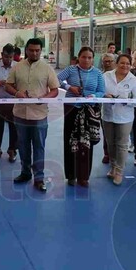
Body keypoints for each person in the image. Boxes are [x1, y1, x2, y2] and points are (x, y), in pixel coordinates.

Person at [6, 38, 60, 192]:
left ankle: (39, 178)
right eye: (31, 50)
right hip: (20, 114)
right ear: (26, 50)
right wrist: (17, 93)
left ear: (41, 51)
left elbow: (55, 90)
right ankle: (25, 173)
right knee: (22, 145)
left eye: (37, 50)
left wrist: (44, 99)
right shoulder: (17, 68)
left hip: (39, 115)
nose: (34, 53)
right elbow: (8, 85)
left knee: (39, 146)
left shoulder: (47, 68)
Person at [57, 46, 105, 187]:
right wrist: (69, 88)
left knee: (86, 142)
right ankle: (71, 175)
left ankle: (83, 176)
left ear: (93, 59)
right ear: (79, 57)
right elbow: (56, 79)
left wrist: (94, 96)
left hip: (89, 110)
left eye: (89, 57)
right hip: (71, 109)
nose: (86, 60)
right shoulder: (71, 70)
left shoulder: (97, 73)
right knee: (70, 140)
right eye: (84, 57)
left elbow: (102, 91)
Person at [102, 54, 136, 185]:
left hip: (125, 117)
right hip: (108, 115)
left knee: (122, 145)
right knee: (110, 143)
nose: (125, 66)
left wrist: (127, 101)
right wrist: (105, 95)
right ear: (116, 63)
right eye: (122, 63)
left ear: (130, 65)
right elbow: (99, 91)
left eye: (127, 63)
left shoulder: (134, 80)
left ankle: (119, 172)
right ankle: (113, 167)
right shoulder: (106, 76)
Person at [0, 44, 18, 162]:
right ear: (1, 55)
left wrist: (11, 86)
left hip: (14, 101)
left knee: (14, 127)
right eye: (6, 57)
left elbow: (22, 82)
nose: (8, 60)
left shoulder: (18, 67)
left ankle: (13, 150)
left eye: (11, 57)